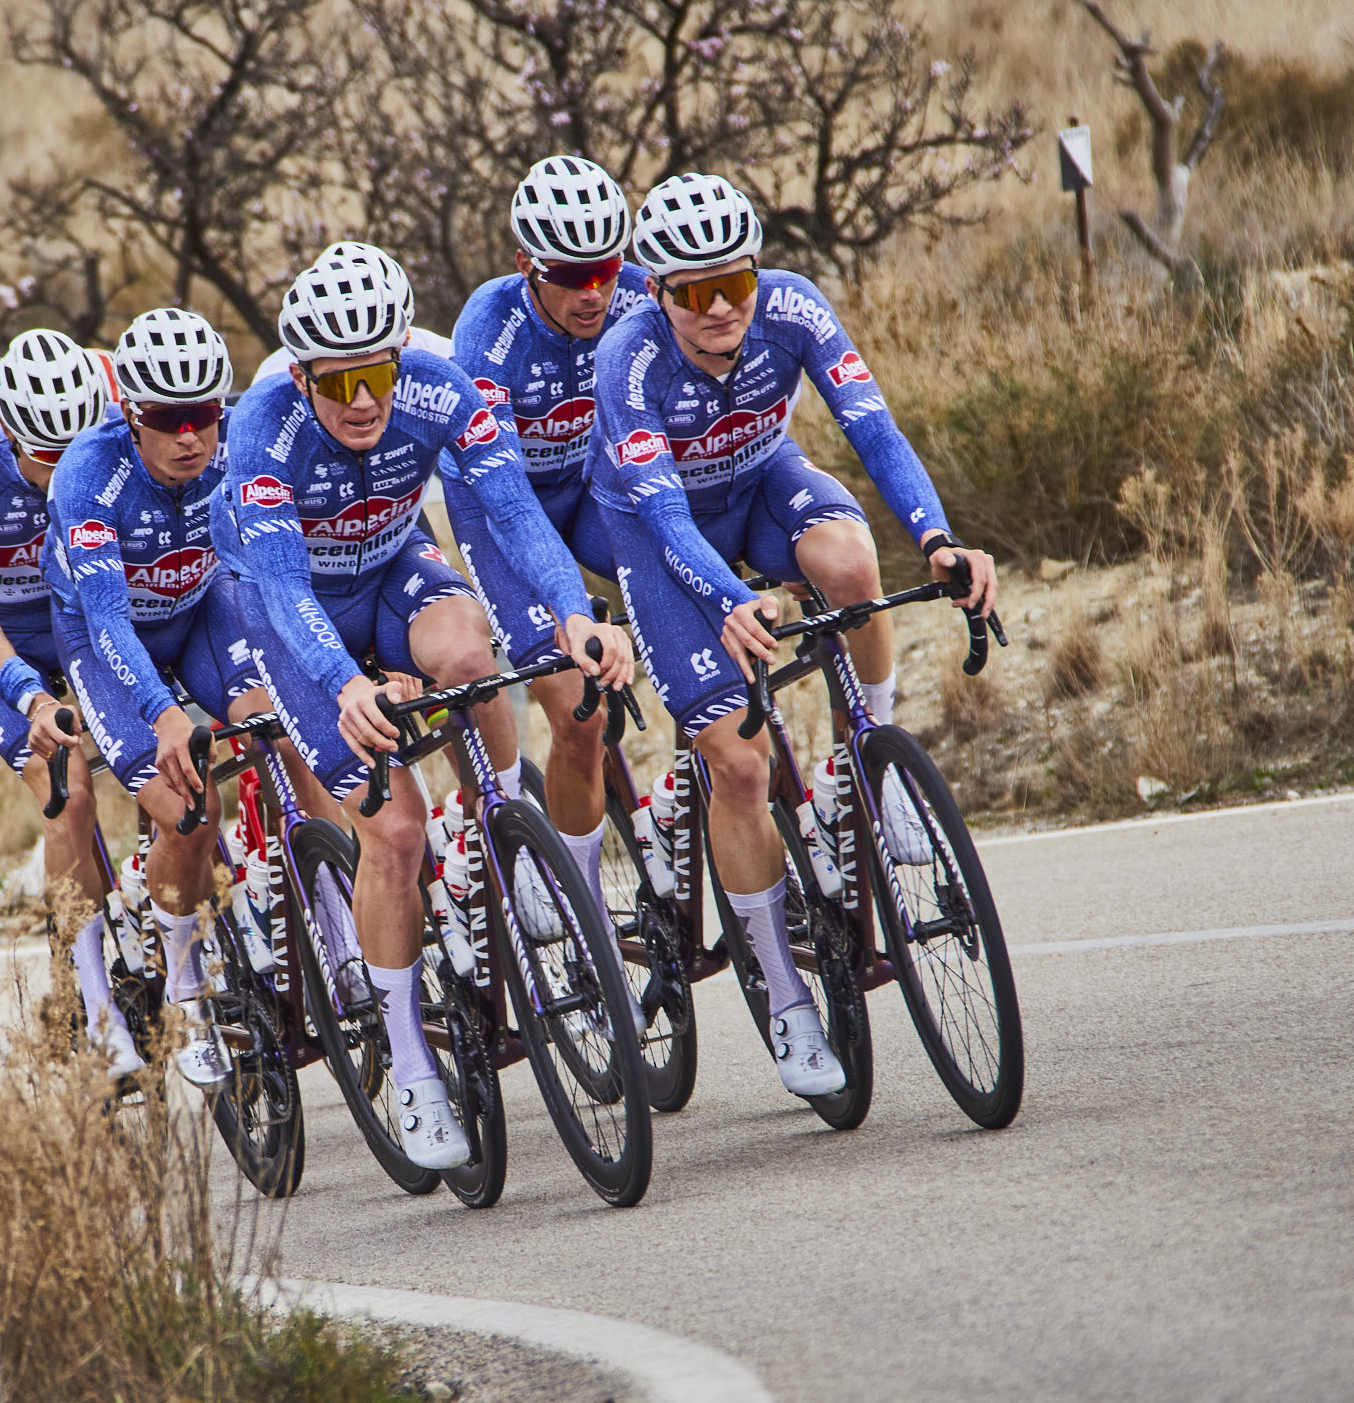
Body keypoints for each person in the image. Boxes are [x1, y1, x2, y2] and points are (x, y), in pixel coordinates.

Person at [220, 242, 635, 1169]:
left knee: (466, 651)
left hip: (391, 565)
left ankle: (501, 820)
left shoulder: (438, 386)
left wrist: (573, 616)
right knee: (395, 835)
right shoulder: (261, 431)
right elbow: (283, 590)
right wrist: (344, 683)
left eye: (378, 373)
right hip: (293, 612)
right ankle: (409, 1065)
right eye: (339, 383)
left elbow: (515, 510)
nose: (363, 400)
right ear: (301, 375)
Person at [590, 173, 1000, 1098]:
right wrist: (724, 599)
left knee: (852, 564)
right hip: (660, 539)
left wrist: (936, 538)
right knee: (736, 768)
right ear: (657, 292)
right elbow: (659, 517)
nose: (719, 307)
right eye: (693, 292)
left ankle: (875, 762)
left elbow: (873, 428)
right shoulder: (627, 362)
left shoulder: (792, 309)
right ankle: (784, 999)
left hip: (761, 481)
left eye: (733, 282)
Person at [46, 308, 339, 1089]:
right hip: (110, 645)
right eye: (169, 422)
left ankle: (335, 926)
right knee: (187, 807)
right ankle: (186, 986)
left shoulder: (240, 442)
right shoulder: (88, 477)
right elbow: (106, 621)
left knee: (285, 732)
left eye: (204, 416)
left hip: (201, 610)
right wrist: (166, 714)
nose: (190, 439)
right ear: (130, 417)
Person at [446, 155, 652, 932]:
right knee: (577, 713)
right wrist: (567, 606)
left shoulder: (637, 296)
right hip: (503, 514)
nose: (593, 292)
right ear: (523, 263)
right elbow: (507, 501)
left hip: (591, 494)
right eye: (569, 274)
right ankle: (584, 899)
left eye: (605, 267)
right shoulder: (488, 331)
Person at [0, 330, 126, 1066]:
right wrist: (28, 697)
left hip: (78, 615)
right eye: (46, 458)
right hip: (4, 640)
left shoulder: (107, 433)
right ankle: (85, 991)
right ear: (11, 434)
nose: (62, 473)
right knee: (67, 794)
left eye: (73, 454)